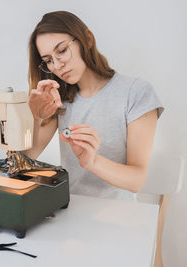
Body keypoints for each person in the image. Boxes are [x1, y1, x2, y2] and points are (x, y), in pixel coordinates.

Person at [25, 11, 164, 200]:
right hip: (68, 210)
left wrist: (92, 162)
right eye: (48, 60)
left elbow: (136, 180)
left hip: (117, 216)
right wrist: (36, 117)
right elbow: (25, 158)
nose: (57, 66)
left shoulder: (136, 92)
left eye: (63, 50)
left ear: (87, 39)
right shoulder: (59, 100)